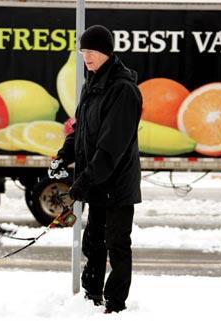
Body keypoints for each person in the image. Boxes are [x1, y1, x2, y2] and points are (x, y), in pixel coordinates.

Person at [49, 25, 142, 313]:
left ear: (107, 52)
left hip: (116, 182)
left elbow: (110, 148)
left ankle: (115, 306)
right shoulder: (93, 83)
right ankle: (91, 297)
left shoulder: (123, 90)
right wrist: (64, 155)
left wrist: (82, 183)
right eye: (83, 51)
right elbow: (81, 128)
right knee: (94, 241)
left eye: (92, 51)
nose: (86, 57)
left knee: (116, 245)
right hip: (99, 181)